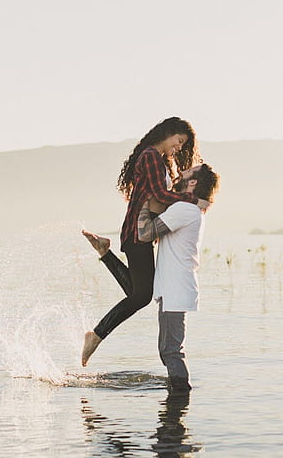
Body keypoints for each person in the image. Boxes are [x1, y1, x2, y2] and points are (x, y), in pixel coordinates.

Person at [81, 117, 205, 366]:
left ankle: (105, 253)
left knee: (139, 294)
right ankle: (96, 334)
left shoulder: (157, 159)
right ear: (168, 133)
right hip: (138, 233)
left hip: (139, 234)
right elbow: (160, 194)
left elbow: (159, 197)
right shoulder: (150, 155)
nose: (179, 148)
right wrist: (194, 201)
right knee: (141, 296)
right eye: (178, 141)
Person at [84, 163, 220, 391]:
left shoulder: (185, 210)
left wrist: (143, 200)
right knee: (142, 300)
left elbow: (145, 232)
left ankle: (179, 400)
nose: (181, 174)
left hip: (176, 288)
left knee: (171, 350)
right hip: (172, 286)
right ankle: (104, 253)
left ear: (193, 182)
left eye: (187, 173)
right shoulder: (188, 208)